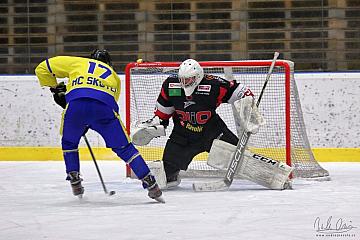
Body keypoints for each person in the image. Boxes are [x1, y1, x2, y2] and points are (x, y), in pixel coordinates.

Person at [34, 49, 164, 203]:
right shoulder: (114, 76)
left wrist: (55, 88)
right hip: (104, 108)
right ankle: (151, 183)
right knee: (125, 148)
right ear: (108, 63)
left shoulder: (79, 62)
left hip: (76, 105)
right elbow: (110, 103)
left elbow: (42, 68)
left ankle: (74, 178)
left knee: (69, 143)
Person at [133, 59, 255, 188]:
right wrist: (154, 127)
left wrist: (251, 112)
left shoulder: (214, 85)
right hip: (183, 137)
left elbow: (242, 92)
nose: (184, 83)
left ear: (197, 77)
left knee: (245, 161)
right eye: (182, 79)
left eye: (188, 79)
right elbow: (163, 115)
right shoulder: (170, 85)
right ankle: (172, 174)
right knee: (165, 177)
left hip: (213, 133)